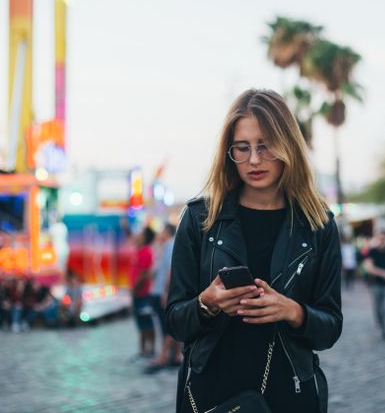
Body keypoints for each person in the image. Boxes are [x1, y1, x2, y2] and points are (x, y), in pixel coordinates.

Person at [166, 89, 342, 413]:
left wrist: (293, 312)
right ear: (228, 152)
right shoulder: (200, 220)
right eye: (242, 148)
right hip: (213, 396)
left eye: (266, 146)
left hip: (290, 395)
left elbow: (330, 327)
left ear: (287, 146)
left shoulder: (318, 225)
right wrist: (207, 303)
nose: (255, 160)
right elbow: (176, 321)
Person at [145, 223, 182, 373]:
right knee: (170, 324)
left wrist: (167, 292)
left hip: (163, 291)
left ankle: (163, 356)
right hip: (162, 290)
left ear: (167, 232)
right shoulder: (167, 245)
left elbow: (170, 269)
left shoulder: (170, 245)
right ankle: (176, 356)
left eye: (162, 230)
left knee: (166, 325)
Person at [363, 230, 385, 344]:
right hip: (376, 285)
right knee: (379, 310)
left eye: (384, 238)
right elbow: (369, 268)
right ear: (377, 238)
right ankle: (384, 327)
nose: (382, 240)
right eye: (380, 238)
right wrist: (384, 273)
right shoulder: (373, 252)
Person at [131, 226, 157, 357]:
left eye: (140, 234)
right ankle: (143, 349)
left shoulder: (146, 252)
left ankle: (150, 348)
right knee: (140, 321)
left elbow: (144, 273)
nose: (138, 236)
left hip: (143, 293)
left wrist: (135, 288)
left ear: (145, 237)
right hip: (137, 292)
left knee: (146, 321)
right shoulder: (139, 250)